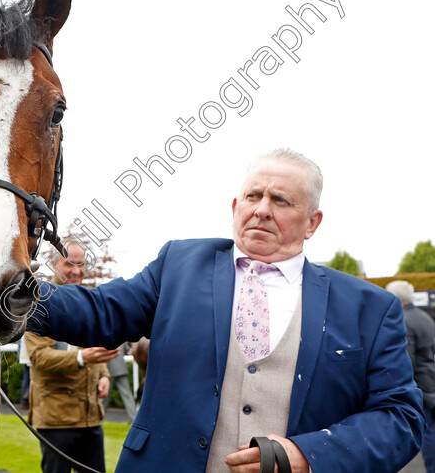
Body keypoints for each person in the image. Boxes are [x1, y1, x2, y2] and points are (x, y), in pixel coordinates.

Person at [30, 148, 424, 472]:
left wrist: (308, 455)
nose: (262, 209)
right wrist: (14, 291)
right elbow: (99, 311)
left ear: (312, 223)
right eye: (253, 196)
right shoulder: (178, 264)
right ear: (236, 206)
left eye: (280, 200)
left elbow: (401, 419)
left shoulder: (369, 307)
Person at [27, 241, 119, 473]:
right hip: (55, 419)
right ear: (55, 264)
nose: (76, 271)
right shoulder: (38, 301)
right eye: (69, 264)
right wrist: (82, 358)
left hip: (90, 417)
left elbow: (97, 349)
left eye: (81, 264)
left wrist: (105, 375)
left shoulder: (91, 299)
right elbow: (39, 357)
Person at [387, 279, 435, 473]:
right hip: (431, 381)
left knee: (428, 433)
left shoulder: (403, 321)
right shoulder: (424, 317)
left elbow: (406, 361)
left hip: (422, 387)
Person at [102, 343, 137, 423]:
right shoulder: (121, 337)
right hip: (121, 369)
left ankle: (97, 419)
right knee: (127, 396)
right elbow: (127, 350)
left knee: (104, 397)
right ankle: (134, 420)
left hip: (108, 371)